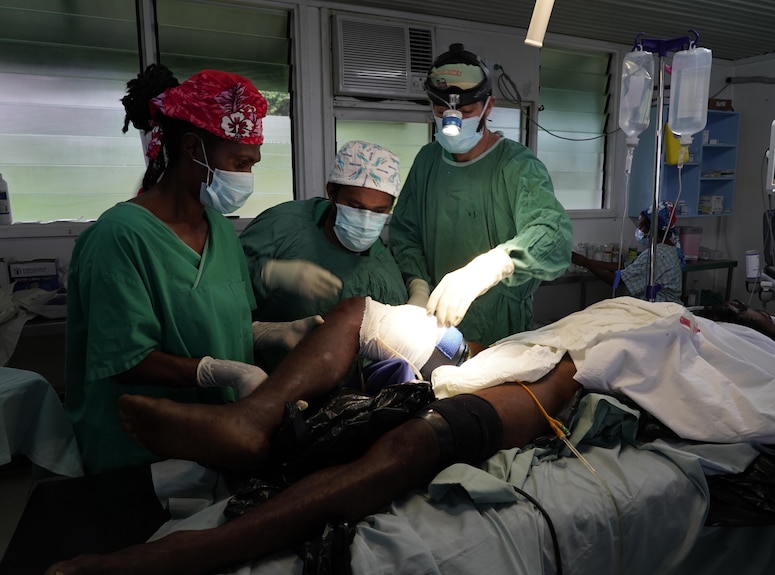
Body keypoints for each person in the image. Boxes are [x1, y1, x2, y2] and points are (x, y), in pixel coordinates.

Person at [45, 297, 775, 575]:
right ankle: (255, 420)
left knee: (410, 446)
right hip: (531, 348)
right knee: (366, 313)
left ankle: (174, 558)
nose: (762, 314)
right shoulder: (682, 306)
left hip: (570, 380)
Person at [64, 64, 320, 475]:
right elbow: (122, 356)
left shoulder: (218, 227)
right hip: (141, 449)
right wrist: (221, 371)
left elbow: (215, 316)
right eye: (239, 161)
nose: (246, 175)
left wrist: (275, 333)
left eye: (252, 163)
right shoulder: (119, 237)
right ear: (190, 147)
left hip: (217, 437)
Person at [388, 43, 573, 346]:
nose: (452, 120)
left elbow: (554, 235)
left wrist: (492, 266)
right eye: (441, 110)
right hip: (435, 326)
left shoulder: (517, 165)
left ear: (489, 107)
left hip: (502, 328)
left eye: (466, 110)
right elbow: (405, 232)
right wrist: (418, 285)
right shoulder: (427, 161)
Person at [240, 140, 407, 371]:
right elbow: (221, 287)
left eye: (378, 211)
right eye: (356, 206)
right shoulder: (283, 225)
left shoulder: (384, 274)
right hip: (264, 377)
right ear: (332, 192)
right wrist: (267, 273)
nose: (366, 219)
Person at [572, 201, 684, 303]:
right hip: (667, 307)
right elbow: (624, 267)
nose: (639, 230)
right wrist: (587, 261)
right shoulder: (668, 248)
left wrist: (585, 263)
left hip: (659, 312)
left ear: (652, 228)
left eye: (640, 226)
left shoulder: (656, 255)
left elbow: (617, 281)